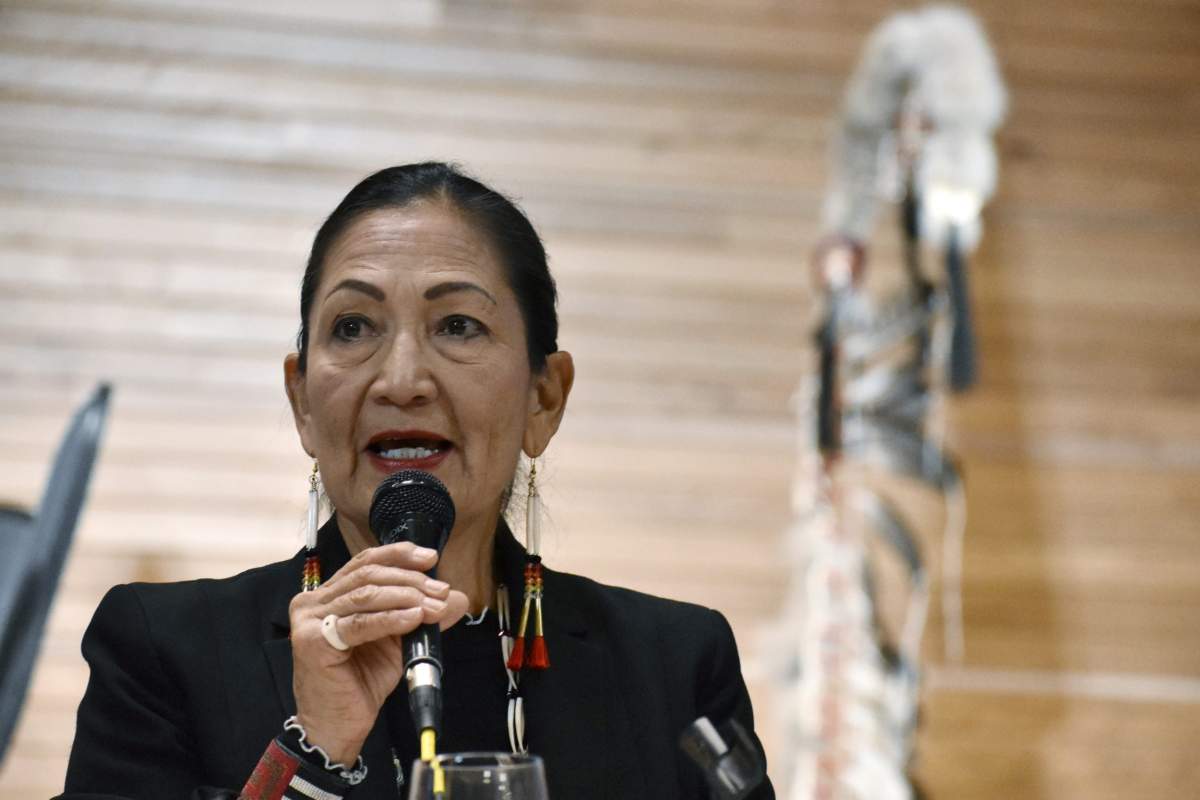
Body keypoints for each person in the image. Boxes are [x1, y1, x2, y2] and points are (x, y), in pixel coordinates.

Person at [57, 163, 774, 800]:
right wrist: (314, 749)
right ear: (302, 401)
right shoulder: (160, 653)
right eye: (353, 327)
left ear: (544, 397)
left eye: (458, 325)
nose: (400, 381)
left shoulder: (674, 668)